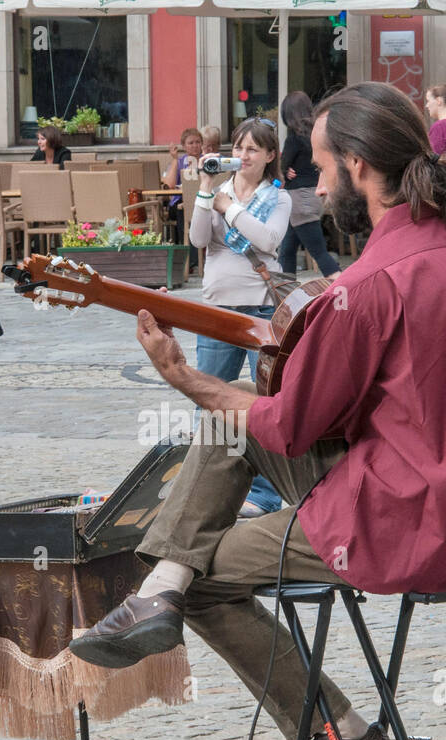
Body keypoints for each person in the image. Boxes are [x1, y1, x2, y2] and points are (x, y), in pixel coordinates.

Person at [67, 82, 446, 740]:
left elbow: (287, 426)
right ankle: (160, 589)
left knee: (207, 566)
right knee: (230, 423)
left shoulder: (366, 286)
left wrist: (185, 376)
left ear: (362, 167)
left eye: (323, 166)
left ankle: (334, 734)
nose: (318, 181)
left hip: (408, 520)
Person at [188, 117, 290, 520]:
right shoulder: (220, 189)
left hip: (261, 309)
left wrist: (229, 208)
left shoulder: (277, 197)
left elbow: (268, 241)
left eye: (252, 149)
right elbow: (198, 240)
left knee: (263, 403)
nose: (243, 156)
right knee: (208, 398)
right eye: (238, 148)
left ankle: (263, 496)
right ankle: (204, 485)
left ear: (270, 155)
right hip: (216, 307)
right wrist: (205, 192)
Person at [278, 91, 340, 278]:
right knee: (287, 250)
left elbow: (282, 167)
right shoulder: (316, 136)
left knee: (319, 252)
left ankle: (344, 289)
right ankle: (285, 296)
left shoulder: (293, 140)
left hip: (299, 200)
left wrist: (285, 171)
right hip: (313, 197)